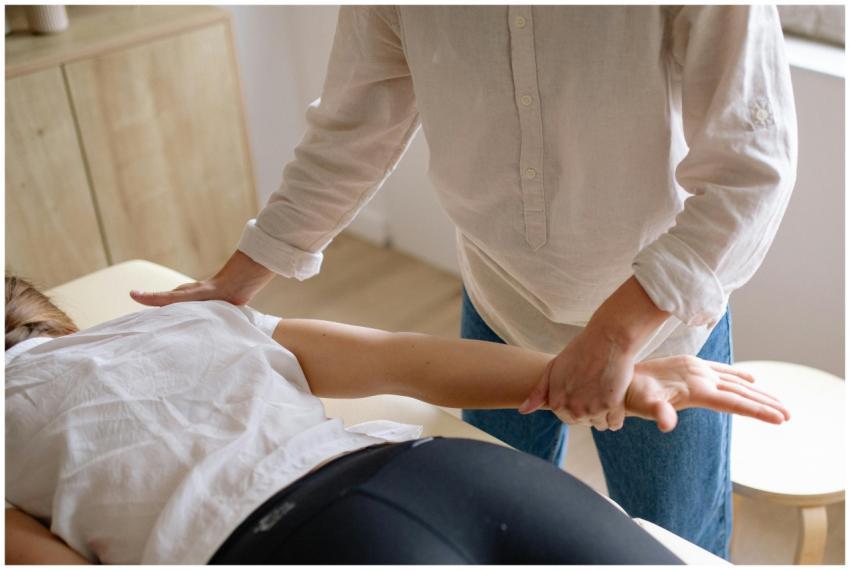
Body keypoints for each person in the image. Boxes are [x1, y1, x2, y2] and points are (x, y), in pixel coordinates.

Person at [130, 6, 798, 558]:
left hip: (659, 321)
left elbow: (752, 167)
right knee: (491, 516)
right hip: (499, 296)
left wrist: (617, 333)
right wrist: (239, 276)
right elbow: (353, 128)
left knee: (675, 545)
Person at [5, 276, 789, 564]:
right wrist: (631, 376)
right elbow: (403, 358)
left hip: (281, 544)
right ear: (55, 319)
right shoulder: (183, 318)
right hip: (443, 475)